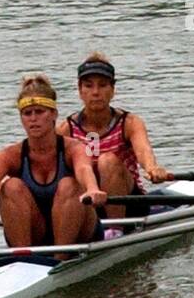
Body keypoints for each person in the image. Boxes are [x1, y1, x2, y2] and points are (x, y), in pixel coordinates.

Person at [0, 74, 106, 247]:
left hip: (80, 232)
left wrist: (92, 189)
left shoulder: (74, 148)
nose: (33, 118)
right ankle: (22, 258)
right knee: (10, 187)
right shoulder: (10, 155)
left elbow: (84, 169)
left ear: (53, 114)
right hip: (37, 230)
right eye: (27, 113)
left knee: (69, 184)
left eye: (39, 112)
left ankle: (60, 258)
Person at [57, 54, 174, 218]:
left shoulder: (129, 123)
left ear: (113, 90)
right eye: (89, 86)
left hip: (129, 204)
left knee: (107, 161)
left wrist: (152, 168)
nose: (96, 92)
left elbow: (143, 152)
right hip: (88, 203)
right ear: (80, 91)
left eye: (103, 85)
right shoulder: (66, 129)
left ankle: (116, 228)